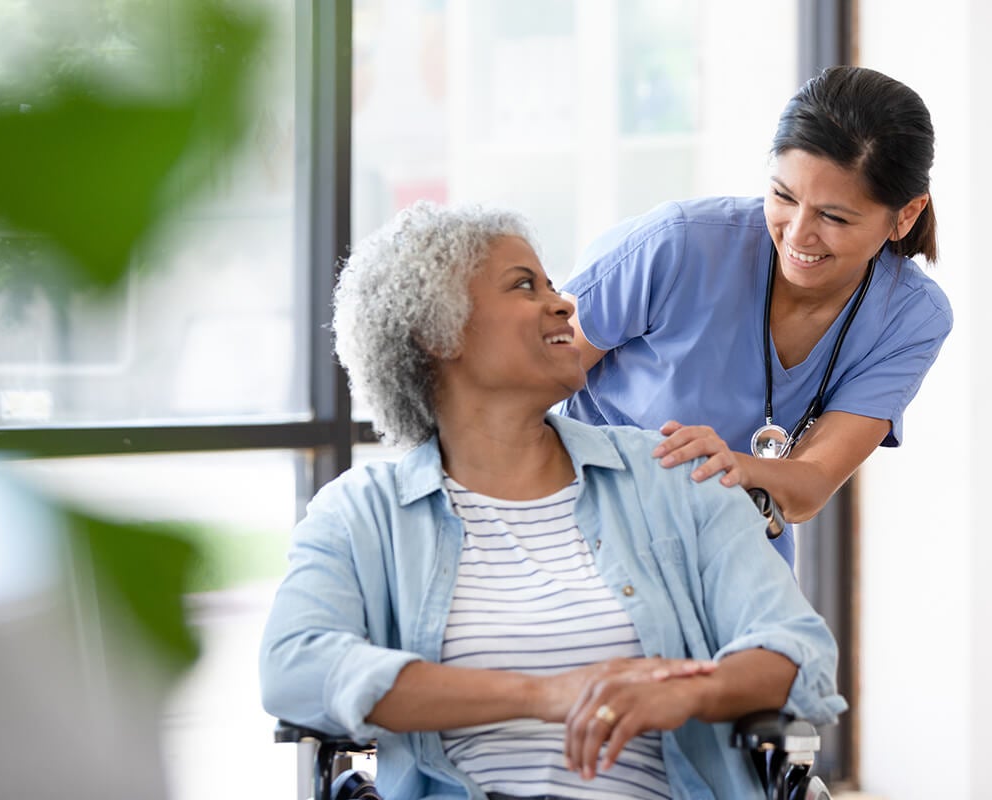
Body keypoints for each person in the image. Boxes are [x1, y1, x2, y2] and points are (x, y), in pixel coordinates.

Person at [259, 201, 845, 800]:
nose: (563, 303)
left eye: (552, 285)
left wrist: (692, 692)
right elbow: (294, 666)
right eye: (523, 286)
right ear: (437, 333)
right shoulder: (362, 513)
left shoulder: (672, 474)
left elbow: (799, 647)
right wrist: (544, 695)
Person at [559, 66, 953, 567]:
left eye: (833, 217)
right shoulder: (679, 244)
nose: (798, 233)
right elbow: (524, 387)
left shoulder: (911, 317)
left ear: (907, 214)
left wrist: (731, 468)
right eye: (784, 197)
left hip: (733, 561)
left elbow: (810, 484)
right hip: (582, 537)